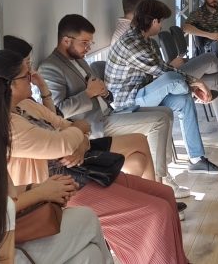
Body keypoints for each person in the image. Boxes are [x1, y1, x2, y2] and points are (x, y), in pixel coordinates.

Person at [0, 49, 190, 264]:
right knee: (158, 212)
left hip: (79, 167)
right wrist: (75, 135)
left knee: (165, 194)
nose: (32, 77)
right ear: (10, 85)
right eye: (26, 75)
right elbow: (64, 140)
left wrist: (78, 141)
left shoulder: (25, 105)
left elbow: (69, 126)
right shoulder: (8, 125)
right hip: (61, 184)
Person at [39, 14, 187, 197]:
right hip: (93, 125)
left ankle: (148, 192)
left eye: (90, 43)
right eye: (84, 43)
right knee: (159, 120)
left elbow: (102, 92)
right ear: (66, 41)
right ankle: (162, 183)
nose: (88, 48)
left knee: (144, 152)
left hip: (109, 112)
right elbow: (57, 111)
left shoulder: (79, 59)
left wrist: (104, 92)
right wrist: (88, 93)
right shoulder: (50, 68)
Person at [106, 0, 218, 174]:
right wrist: (195, 82)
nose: (162, 26)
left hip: (145, 91)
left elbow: (160, 69)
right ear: (154, 21)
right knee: (179, 76)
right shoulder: (133, 43)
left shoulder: (141, 38)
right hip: (130, 102)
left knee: (186, 98)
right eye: (161, 21)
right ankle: (201, 89)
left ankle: (196, 159)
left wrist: (192, 83)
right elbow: (162, 71)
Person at [0, 75, 113, 264]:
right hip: (1, 249)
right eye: (26, 75)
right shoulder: (11, 130)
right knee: (87, 219)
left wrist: (37, 187)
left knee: (90, 255)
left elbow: (0, 194)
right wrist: (40, 193)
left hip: (6, 237)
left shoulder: (20, 114)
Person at [3, 35, 57, 114]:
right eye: (27, 63)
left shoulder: (28, 102)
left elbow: (53, 119)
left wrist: (43, 87)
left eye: (29, 63)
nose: (30, 71)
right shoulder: (4, 116)